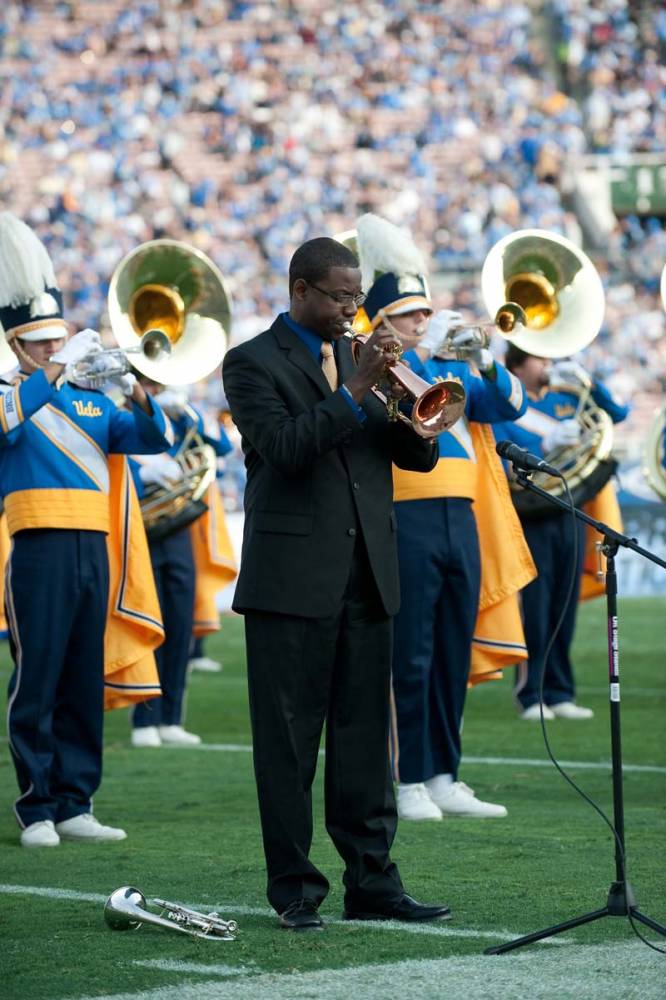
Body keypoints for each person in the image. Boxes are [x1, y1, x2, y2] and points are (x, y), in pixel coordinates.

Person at [222, 236, 450, 931]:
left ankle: (374, 881)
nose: (354, 308)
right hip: (290, 581)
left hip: (367, 574)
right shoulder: (250, 362)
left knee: (363, 744)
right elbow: (286, 449)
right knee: (288, 747)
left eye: (357, 297)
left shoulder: (364, 361)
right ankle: (294, 889)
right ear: (300, 291)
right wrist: (355, 389)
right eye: (341, 297)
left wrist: (412, 403)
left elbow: (416, 458)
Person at [0, 213, 172, 848]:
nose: (52, 350)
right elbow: (7, 424)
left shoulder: (92, 399)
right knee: (37, 676)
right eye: (38, 343)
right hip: (38, 547)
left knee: (81, 674)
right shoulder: (13, 392)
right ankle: (36, 806)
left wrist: (139, 389)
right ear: (15, 345)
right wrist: (55, 372)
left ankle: (77, 801)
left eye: (56, 341)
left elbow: (152, 440)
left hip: (94, 548)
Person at [353, 213, 531, 822]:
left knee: (453, 649)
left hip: (463, 519)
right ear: (381, 324)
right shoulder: (377, 369)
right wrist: (416, 357)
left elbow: (510, 404)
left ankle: (444, 772)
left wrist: (483, 359)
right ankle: (406, 780)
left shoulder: (450, 369)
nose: (423, 323)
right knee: (413, 653)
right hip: (408, 519)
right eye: (409, 316)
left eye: (425, 313)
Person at [498, 346, 629, 721]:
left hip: (569, 511)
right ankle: (531, 694)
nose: (549, 366)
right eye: (540, 360)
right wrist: (545, 445)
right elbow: (503, 451)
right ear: (519, 366)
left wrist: (590, 380)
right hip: (530, 515)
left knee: (563, 606)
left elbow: (617, 416)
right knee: (535, 610)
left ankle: (560, 693)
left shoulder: (565, 397)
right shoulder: (507, 405)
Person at [129, 381, 232, 747]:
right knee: (147, 624)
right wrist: (139, 475)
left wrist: (191, 415)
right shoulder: (126, 410)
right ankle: (144, 718)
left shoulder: (180, 419)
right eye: (151, 382)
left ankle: (171, 717)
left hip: (177, 530)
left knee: (180, 623)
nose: (157, 386)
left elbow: (219, 448)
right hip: (138, 529)